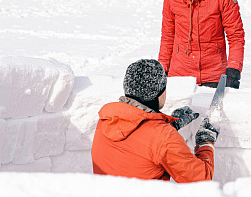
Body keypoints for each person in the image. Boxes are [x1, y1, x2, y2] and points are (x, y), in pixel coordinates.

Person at [91, 59, 220, 183]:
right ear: (160, 94)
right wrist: (205, 142)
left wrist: (171, 125)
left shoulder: (106, 120)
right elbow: (200, 180)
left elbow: (138, 147)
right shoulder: (163, 137)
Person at [158, 0, 245, 89]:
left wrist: (234, 70)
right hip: (180, 75)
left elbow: (236, 38)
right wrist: (162, 68)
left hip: (214, 75)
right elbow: (168, 37)